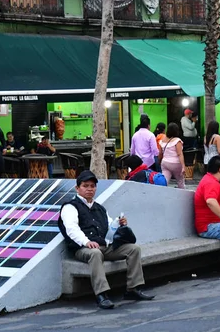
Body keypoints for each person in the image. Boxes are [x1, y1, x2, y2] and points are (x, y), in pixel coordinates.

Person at [58, 170, 154, 310]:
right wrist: (86, 242)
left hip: (104, 246)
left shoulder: (100, 208)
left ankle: (133, 288)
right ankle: (102, 294)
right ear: (77, 188)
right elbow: (71, 229)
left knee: (133, 249)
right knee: (95, 253)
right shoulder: (70, 207)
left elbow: (109, 227)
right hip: (82, 249)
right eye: (86, 186)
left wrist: (120, 224)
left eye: (92, 186)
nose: (90, 189)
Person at [159, 122, 185, 188]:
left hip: (165, 163)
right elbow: (180, 154)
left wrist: (159, 162)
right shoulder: (177, 141)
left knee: (165, 181)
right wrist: (183, 166)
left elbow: (160, 154)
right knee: (180, 181)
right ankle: (182, 195)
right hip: (176, 163)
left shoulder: (162, 140)